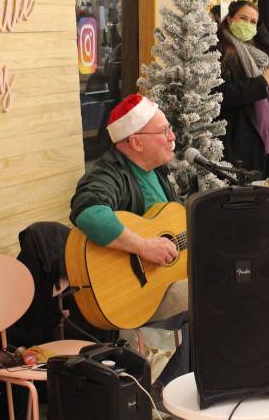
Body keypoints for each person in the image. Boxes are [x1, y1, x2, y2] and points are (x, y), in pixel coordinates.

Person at [68, 93, 185, 384]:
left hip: (162, 282)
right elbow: (87, 212)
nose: (172, 137)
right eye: (163, 131)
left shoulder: (157, 171)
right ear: (135, 142)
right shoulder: (111, 172)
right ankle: (169, 392)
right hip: (134, 293)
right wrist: (144, 246)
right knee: (206, 292)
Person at [217, 0, 269, 175]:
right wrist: (262, 82)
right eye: (243, 18)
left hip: (257, 132)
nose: (248, 25)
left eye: (253, 22)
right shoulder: (220, 49)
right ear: (229, 19)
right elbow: (221, 94)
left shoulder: (252, 51)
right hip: (236, 136)